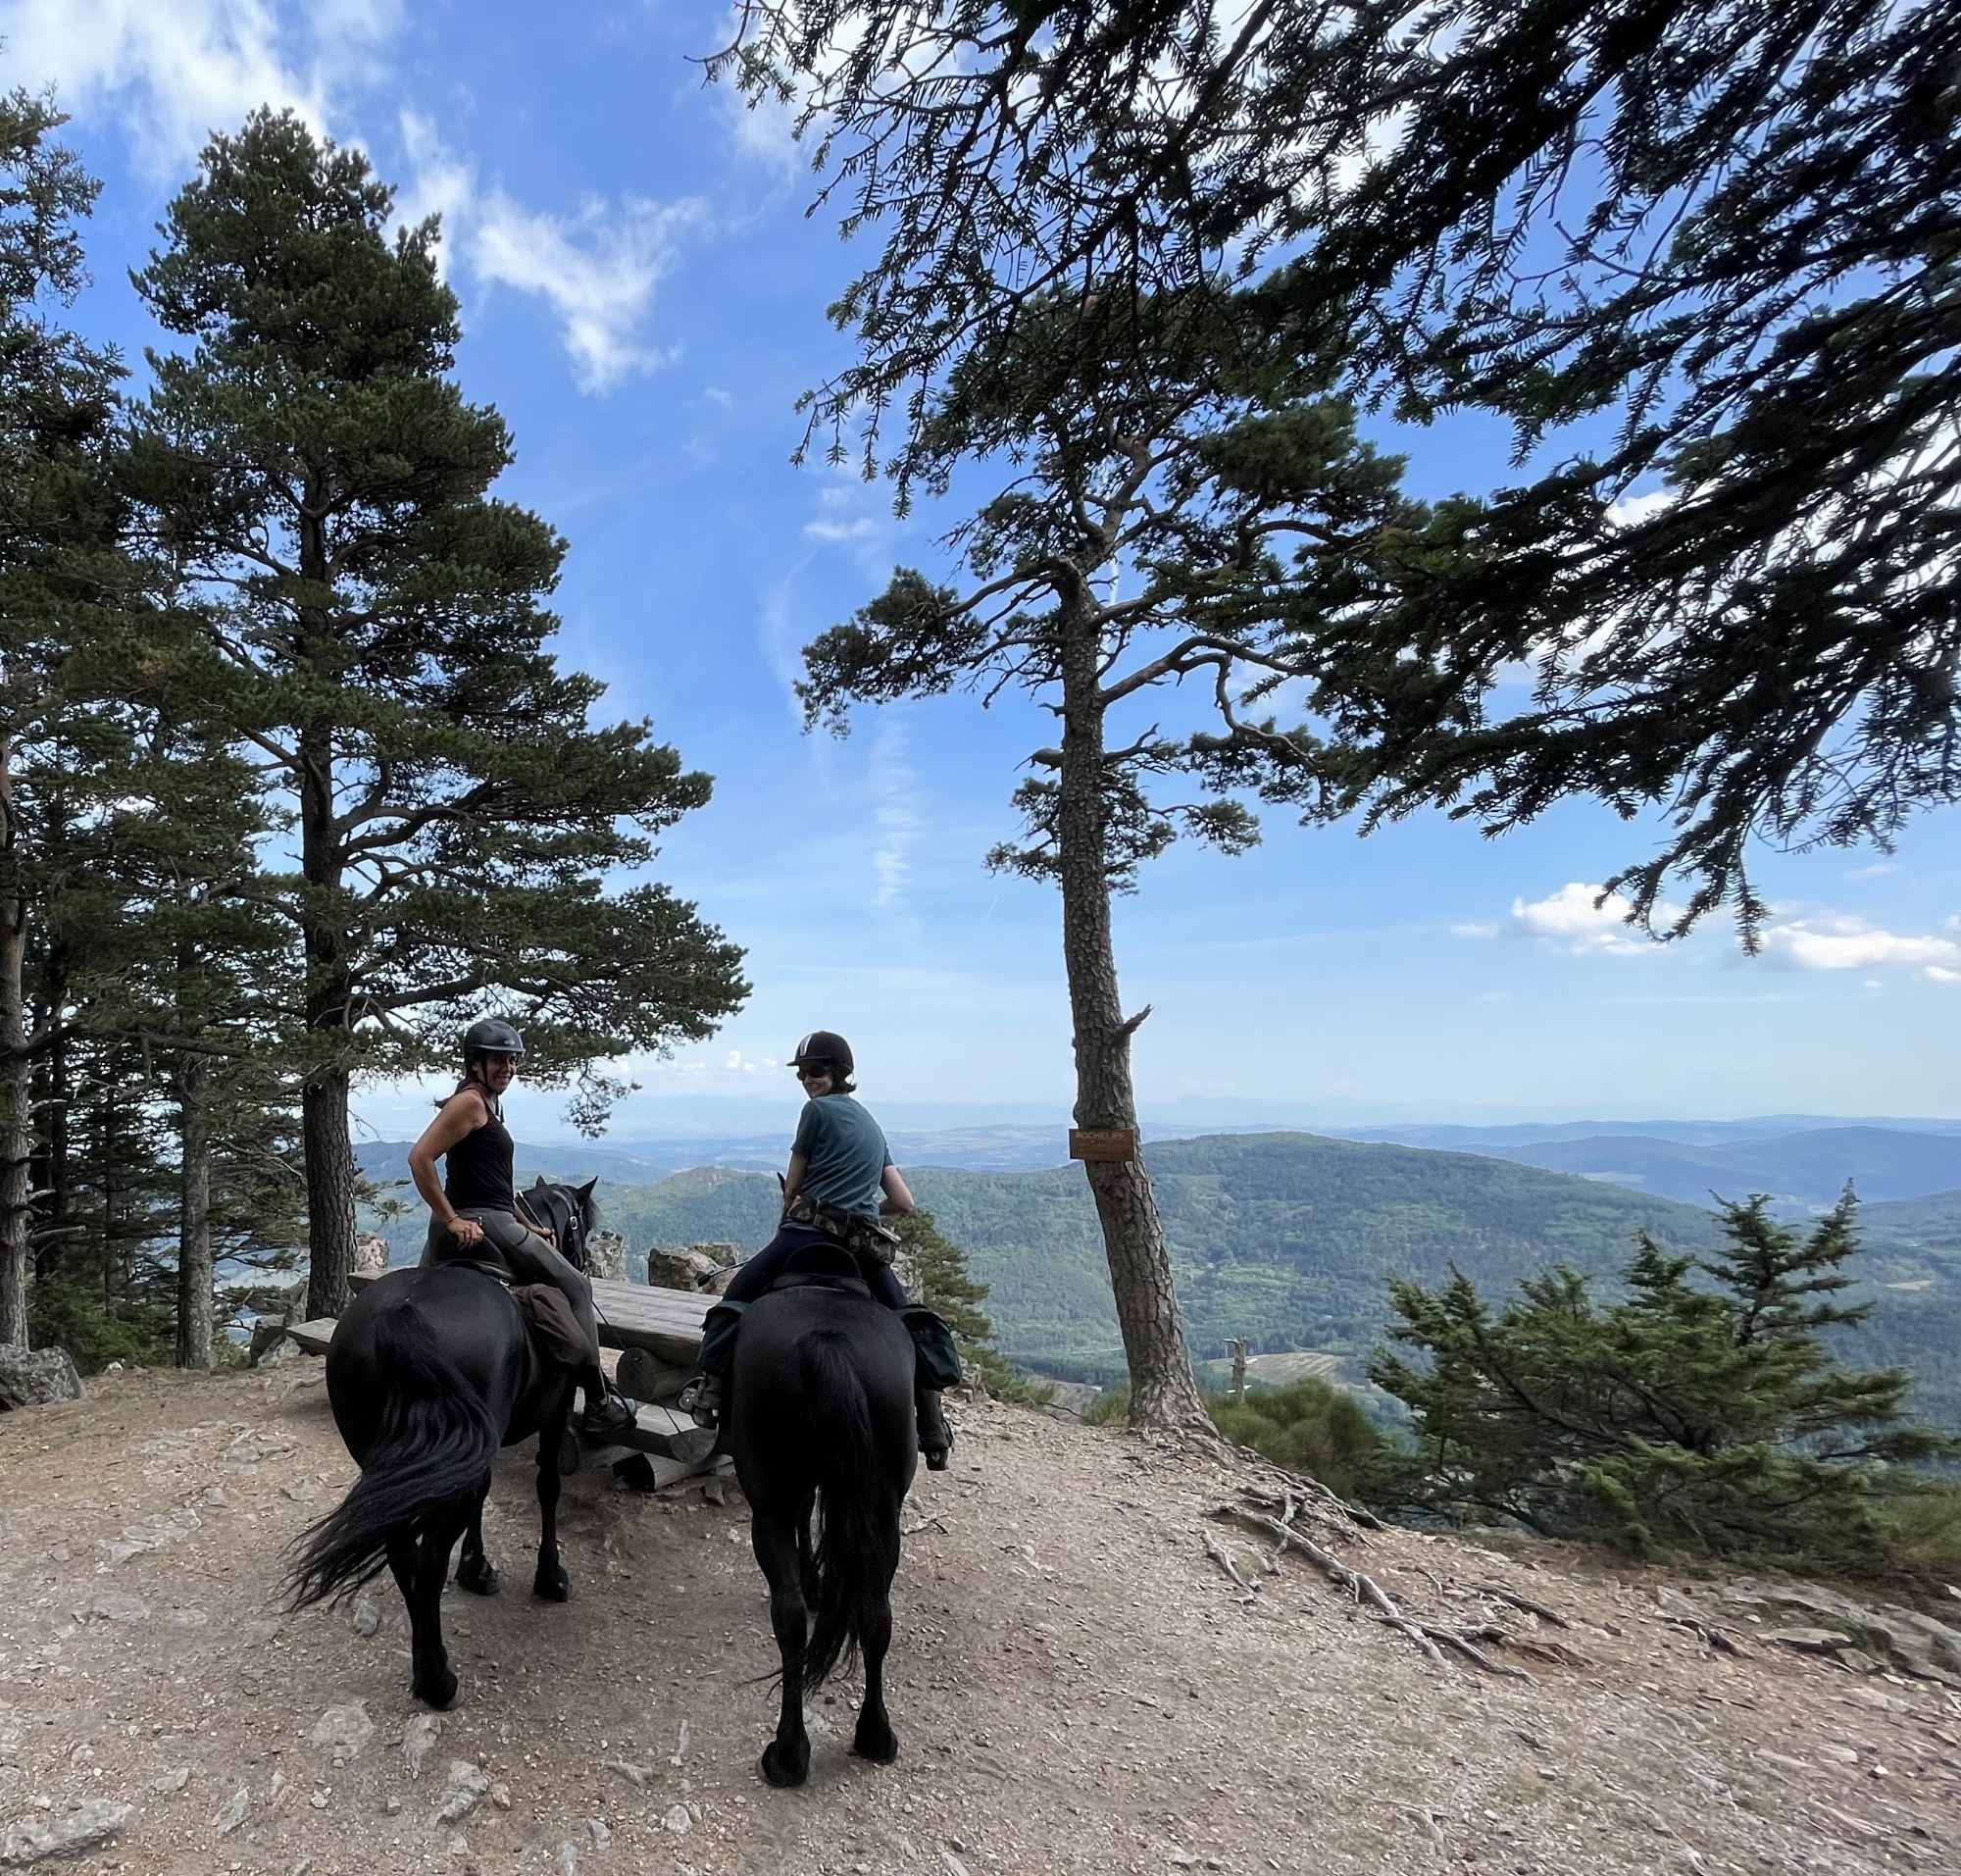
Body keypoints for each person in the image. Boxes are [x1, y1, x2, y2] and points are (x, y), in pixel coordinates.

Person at [682, 1031, 954, 1467]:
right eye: (804, 1074)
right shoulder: (872, 1123)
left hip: (804, 1236)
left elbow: (792, 1187)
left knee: (732, 1301)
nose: (809, 1080)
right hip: (863, 1248)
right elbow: (904, 1202)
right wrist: (861, 1209)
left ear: (837, 1073)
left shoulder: (814, 1112)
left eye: (817, 1071)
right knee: (909, 1323)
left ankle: (710, 1393)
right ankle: (932, 1427)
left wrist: (803, 1205)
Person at [408, 1017, 636, 1435]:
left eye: (512, 1061)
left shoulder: (490, 1103)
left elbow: (494, 1183)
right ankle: (599, 1399)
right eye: (498, 1060)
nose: (507, 1069)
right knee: (578, 1286)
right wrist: (453, 1218)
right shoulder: (470, 1103)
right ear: (475, 1062)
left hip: (492, 1215)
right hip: (478, 1221)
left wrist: (529, 1224)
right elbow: (420, 1158)